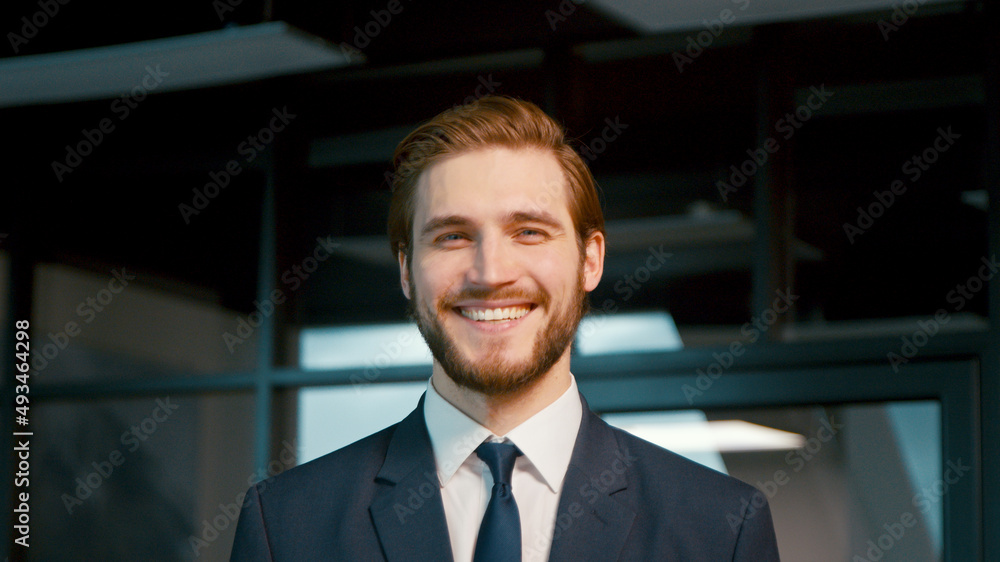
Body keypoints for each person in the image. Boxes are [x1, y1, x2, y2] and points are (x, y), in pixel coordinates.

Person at [230, 96, 781, 561]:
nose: (490, 273)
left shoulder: (722, 527)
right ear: (405, 270)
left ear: (591, 261)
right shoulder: (283, 526)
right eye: (451, 236)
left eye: (529, 232)